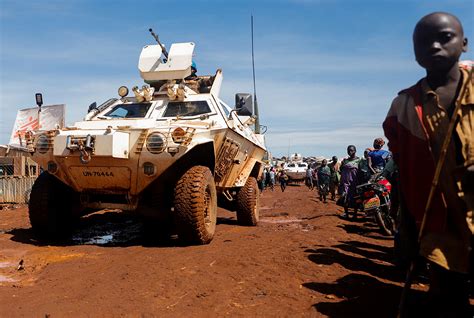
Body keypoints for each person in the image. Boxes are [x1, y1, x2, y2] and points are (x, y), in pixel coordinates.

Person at [383, 12, 473, 317]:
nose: (434, 46)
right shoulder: (404, 107)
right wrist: (407, 228)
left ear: (464, 43)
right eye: (423, 42)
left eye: (444, 37)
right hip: (438, 222)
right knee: (448, 297)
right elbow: (405, 173)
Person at [339, 145, 360, 218]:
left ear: (355, 151)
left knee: (355, 198)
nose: (349, 152)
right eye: (348, 150)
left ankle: (355, 214)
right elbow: (341, 170)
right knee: (345, 197)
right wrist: (342, 165)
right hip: (345, 183)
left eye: (351, 150)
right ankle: (346, 213)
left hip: (355, 183)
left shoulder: (359, 160)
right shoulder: (345, 161)